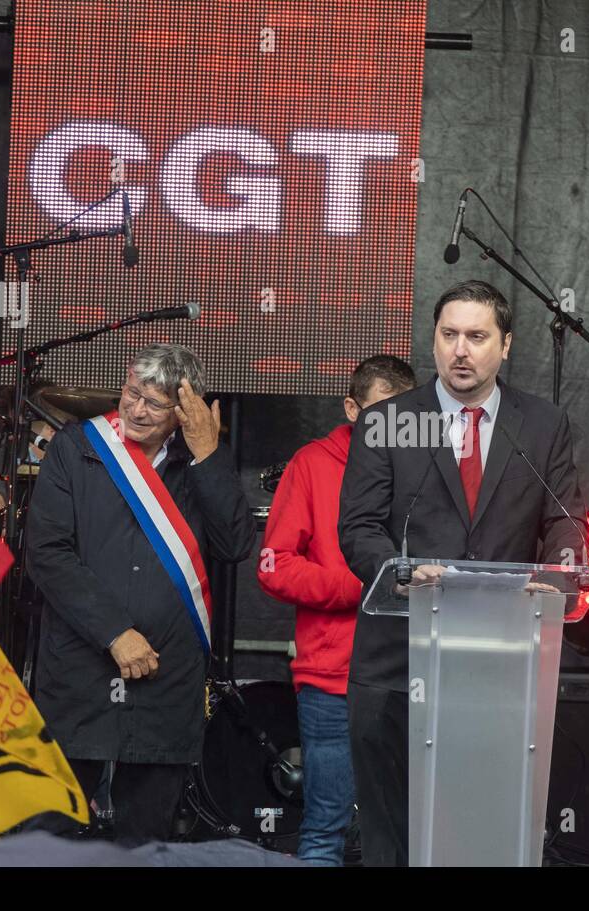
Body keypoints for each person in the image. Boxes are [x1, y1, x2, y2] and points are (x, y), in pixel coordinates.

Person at [337, 279, 587, 866]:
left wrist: (558, 572)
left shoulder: (544, 425)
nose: (461, 350)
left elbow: (566, 520)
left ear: (507, 345)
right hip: (397, 661)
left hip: (499, 662)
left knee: (480, 836)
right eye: (448, 335)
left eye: (477, 336)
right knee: (391, 838)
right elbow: (358, 529)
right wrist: (399, 569)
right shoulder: (388, 421)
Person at [26, 343, 256, 844]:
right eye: (131, 393)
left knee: (146, 835)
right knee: (50, 828)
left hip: (165, 676)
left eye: (153, 403)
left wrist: (209, 455)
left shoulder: (201, 459)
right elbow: (47, 554)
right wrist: (114, 633)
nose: (135, 409)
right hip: (80, 668)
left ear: (184, 409)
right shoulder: (78, 446)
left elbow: (235, 544)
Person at [258, 354, 416, 866]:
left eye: (404, 417)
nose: (391, 430)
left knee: (407, 830)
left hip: (414, 677)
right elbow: (274, 564)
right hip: (333, 680)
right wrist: (363, 586)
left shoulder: (433, 468)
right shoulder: (312, 464)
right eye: (379, 416)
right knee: (326, 827)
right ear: (352, 408)